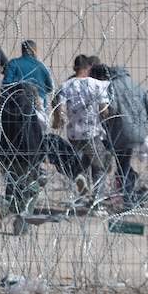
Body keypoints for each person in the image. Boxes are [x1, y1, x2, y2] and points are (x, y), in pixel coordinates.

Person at [92, 63, 148, 207]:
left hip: (120, 133)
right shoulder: (139, 87)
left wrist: (105, 132)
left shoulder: (111, 87)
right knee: (123, 164)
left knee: (117, 165)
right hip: (139, 133)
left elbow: (108, 113)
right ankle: (129, 190)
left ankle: (127, 200)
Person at [0, 81, 47, 235]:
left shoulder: (2, 113)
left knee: (12, 188)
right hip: (25, 159)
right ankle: (21, 222)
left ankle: (3, 206)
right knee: (30, 190)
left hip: (5, 159)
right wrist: (38, 160)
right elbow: (36, 138)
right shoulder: (28, 113)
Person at [51, 55, 110, 202]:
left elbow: (59, 103)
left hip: (73, 135)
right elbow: (104, 110)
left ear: (74, 68)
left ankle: (80, 177)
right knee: (101, 166)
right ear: (88, 68)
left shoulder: (67, 85)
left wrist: (60, 119)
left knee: (85, 159)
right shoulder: (96, 84)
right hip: (91, 133)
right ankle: (96, 202)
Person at [2, 40, 54, 123]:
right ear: (33, 51)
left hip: (18, 104)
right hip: (39, 105)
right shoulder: (40, 66)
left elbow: (6, 84)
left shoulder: (14, 63)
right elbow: (50, 87)